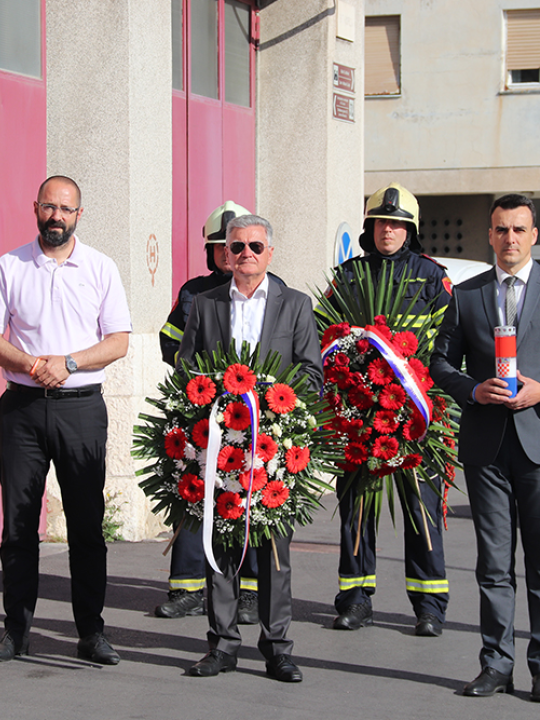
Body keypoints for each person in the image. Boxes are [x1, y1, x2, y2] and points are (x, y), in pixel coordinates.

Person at [429, 193, 540, 703]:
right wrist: (472, 390)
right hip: (487, 447)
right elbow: (441, 363)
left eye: (519, 229)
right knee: (493, 565)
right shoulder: (467, 293)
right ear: (490, 235)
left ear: (533, 236)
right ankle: (496, 664)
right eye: (501, 229)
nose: (510, 238)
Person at [0, 175, 132, 665]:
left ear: (79, 215)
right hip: (22, 410)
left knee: (86, 525)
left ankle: (91, 632)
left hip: (80, 409)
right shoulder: (10, 265)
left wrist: (68, 362)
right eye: (49, 207)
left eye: (66, 209)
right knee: (19, 525)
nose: (56, 216)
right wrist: (30, 364)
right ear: (36, 209)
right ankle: (16, 632)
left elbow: (118, 341)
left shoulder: (100, 268)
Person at [177, 214, 323, 683]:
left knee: (275, 554)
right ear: (224, 254)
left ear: (270, 253)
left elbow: (312, 373)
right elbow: (186, 369)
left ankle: (277, 647)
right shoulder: (205, 304)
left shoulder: (295, 305)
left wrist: (274, 402)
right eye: (236, 246)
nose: (245, 254)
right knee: (221, 544)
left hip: (274, 449)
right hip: (219, 446)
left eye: (255, 246)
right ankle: (222, 645)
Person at [318, 182, 453, 636]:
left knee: (421, 509)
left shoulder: (432, 277)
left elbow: (451, 343)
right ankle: (355, 600)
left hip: (418, 414)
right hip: (360, 412)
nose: (388, 231)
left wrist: (436, 397)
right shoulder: (349, 275)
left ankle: (429, 606)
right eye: (380, 223)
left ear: (410, 230)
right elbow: (326, 334)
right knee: (357, 509)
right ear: (369, 228)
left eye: (397, 224)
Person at [155, 201, 267, 625]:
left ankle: (251, 592)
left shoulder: (271, 289)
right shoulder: (193, 293)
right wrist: (200, 377)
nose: (230, 253)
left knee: (254, 498)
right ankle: (187, 588)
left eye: (237, 245)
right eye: (222, 246)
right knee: (194, 495)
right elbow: (171, 342)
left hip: (256, 414)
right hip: (204, 412)